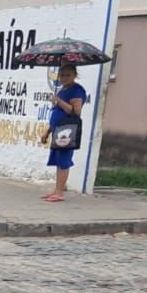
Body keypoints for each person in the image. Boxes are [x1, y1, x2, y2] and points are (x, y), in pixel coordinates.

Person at [41, 65, 87, 202]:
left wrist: (59, 101)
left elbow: (75, 112)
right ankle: (56, 190)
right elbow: (56, 113)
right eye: (62, 75)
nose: (64, 78)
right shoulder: (63, 90)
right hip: (57, 130)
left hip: (67, 130)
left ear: (74, 75)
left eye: (68, 75)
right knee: (58, 161)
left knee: (64, 161)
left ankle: (60, 193)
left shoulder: (76, 90)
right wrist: (47, 132)